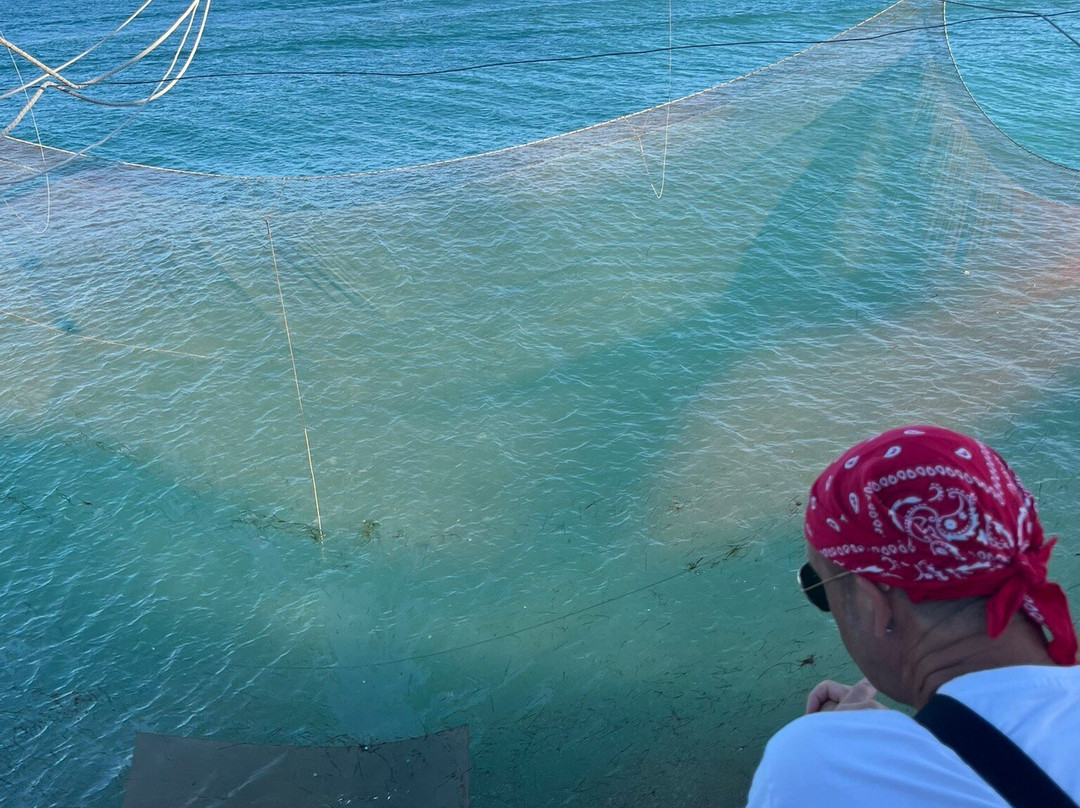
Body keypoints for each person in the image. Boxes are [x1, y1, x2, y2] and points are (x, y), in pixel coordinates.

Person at [746, 425, 1080, 807]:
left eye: (820, 587)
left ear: (874, 600)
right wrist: (922, 739)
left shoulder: (816, 765)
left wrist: (861, 755)